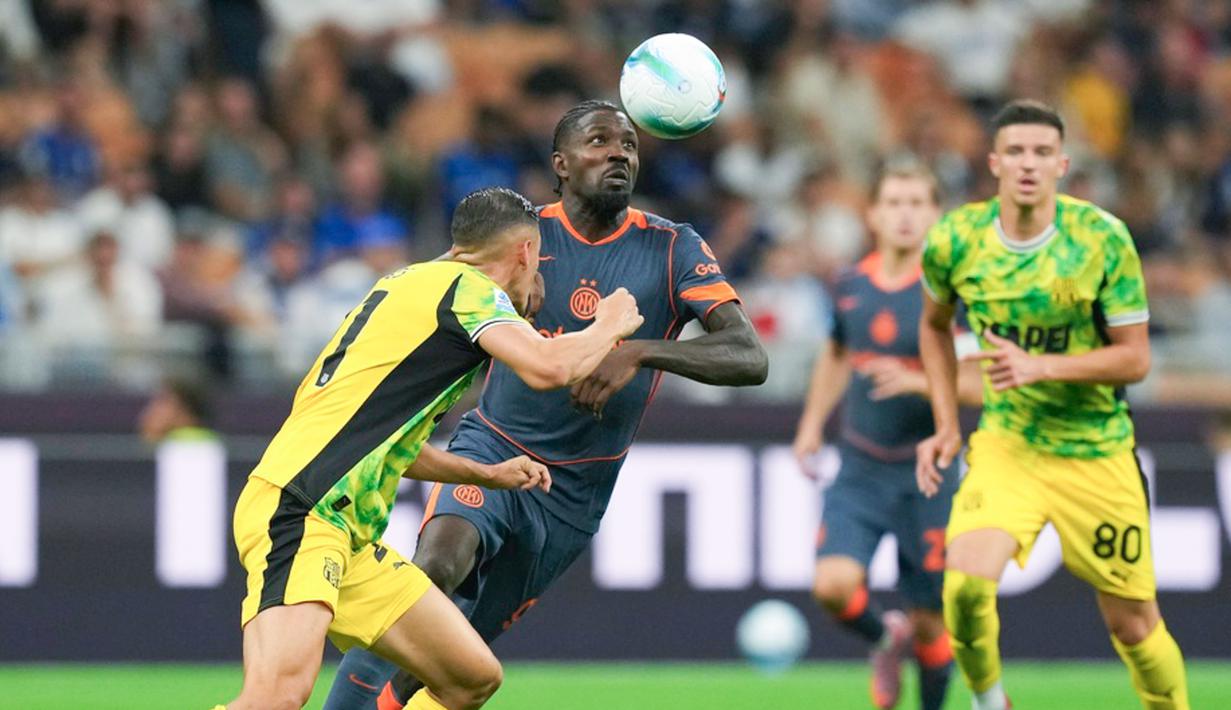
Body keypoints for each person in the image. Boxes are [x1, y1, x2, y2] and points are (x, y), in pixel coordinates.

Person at [323, 100, 768, 710]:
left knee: (453, 658)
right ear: (560, 163)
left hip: (573, 496)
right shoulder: (526, 238)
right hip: (494, 446)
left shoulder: (671, 248)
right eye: (599, 142)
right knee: (432, 572)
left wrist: (638, 352)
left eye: (629, 146)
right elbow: (445, 300)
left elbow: (748, 355)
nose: (619, 154)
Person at [214, 186, 644, 710]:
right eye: (538, 265)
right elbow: (548, 367)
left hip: (345, 532)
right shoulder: (466, 289)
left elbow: (392, 446)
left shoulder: (409, 286)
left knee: (469, 676)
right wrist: (612, 324)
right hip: (303, 510)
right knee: (276, 696)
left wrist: (486, 475)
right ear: (526, 252)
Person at [916, 100, 1189, 710]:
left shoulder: (1101, 239)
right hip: (1009, 447)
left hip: (1096, 453)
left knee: (1135, 628)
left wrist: (1043, 366)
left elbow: (1135, 358)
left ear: (1063, 164)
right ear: (994, 163)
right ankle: (993, 703)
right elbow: (932, 327)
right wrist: (944, 423)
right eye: (1015, 152)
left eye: (1042, 153)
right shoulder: (956, 240)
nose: (1028, 164)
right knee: (962, 587)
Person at [793, 163, 983, 710]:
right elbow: (835, 353)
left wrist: (920, 383)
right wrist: (810, 427)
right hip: (861, 466)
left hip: (928, 474)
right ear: (872, 213)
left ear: (935, 215)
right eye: (894, 202)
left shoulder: (952, 293)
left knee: (932, 623)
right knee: (832, 586)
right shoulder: (852, 285)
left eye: (918, 203)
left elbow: (980, 384)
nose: (905, 214)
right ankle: (883, 636)